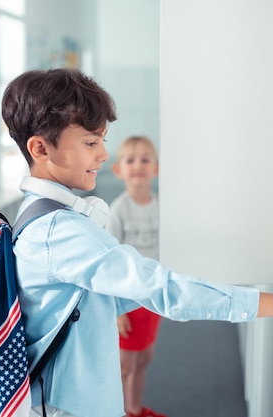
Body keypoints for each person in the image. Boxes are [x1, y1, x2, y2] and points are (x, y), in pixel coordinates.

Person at [0, 68, 273, 417]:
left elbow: (96, 301)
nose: (103, 155)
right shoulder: (61, 232)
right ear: (40, 148)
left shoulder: (40, 215)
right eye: (90, 142)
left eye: (102, 141)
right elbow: (164, 290)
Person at [106, 136, 164, 417]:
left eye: (145, 159)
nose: (138, 165)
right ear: (118, 170)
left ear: (156, 168)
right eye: (130, 160)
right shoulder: (118, 210)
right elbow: (111, 266)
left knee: (144, 359)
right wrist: (117, 309)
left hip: (152, 297)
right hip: (127, 301)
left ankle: (134, 408)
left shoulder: (162, 207)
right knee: (125, 365)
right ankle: (118, 411)